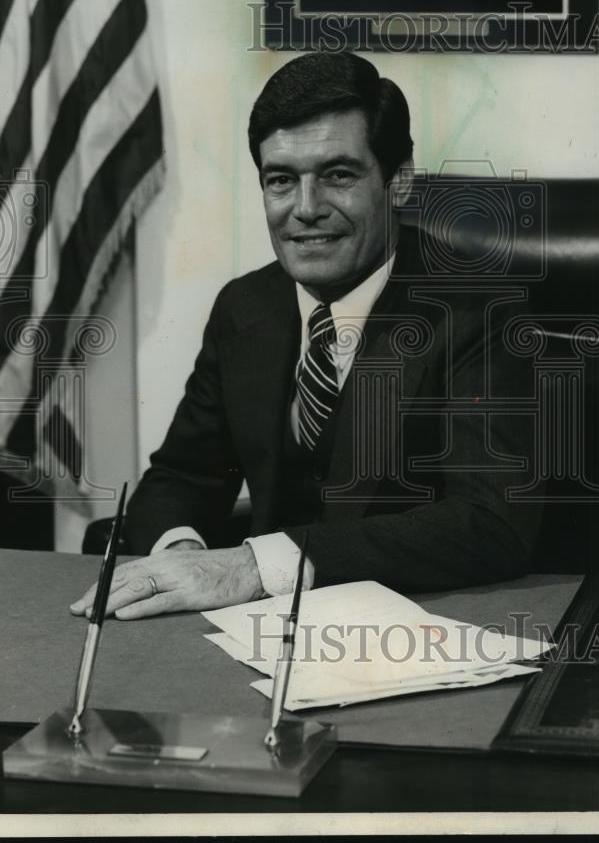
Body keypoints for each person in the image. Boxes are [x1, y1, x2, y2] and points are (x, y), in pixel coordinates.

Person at [71, 51, 540, 622]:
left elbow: (491, 523)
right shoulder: (245, 306)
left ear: (400, 181)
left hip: (420, 630)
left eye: (339, 175)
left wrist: (253, 566)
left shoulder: (480, 311)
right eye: (281, 181)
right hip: (258, 638)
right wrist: (186, 555)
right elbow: (184, 475)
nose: (306, 209)